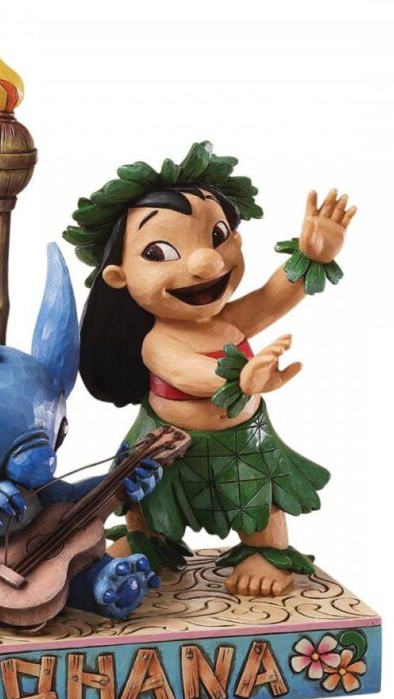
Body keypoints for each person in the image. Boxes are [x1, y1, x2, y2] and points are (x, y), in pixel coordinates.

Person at [64, 141, 356, 597]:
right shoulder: (158, 341)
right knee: (149, 498)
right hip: (168, 444)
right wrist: (241, 378)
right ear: (119, 277)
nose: (207, 262)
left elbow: (272, 297)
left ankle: (265, 552)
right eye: (159, 251)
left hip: (243, 441)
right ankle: (151, 544)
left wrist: (312, 256)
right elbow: (187, 374)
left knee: (256, 497)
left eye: (217, 235)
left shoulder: (228, 322)